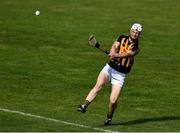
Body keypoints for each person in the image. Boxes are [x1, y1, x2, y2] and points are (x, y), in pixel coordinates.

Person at [77, 23, 143, 125]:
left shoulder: (136, 47)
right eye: (134, 32)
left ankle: (109, 117)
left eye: (137, 33)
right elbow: (114, 45)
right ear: (130, 31)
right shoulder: (122, 37)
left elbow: (127, 54)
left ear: (139, 35)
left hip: (120, 75)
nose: (135, 34)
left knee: (113, 101)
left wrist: (115, 55)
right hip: (110, 68)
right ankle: (84, 106)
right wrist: (112, 52)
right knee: (98, 86)